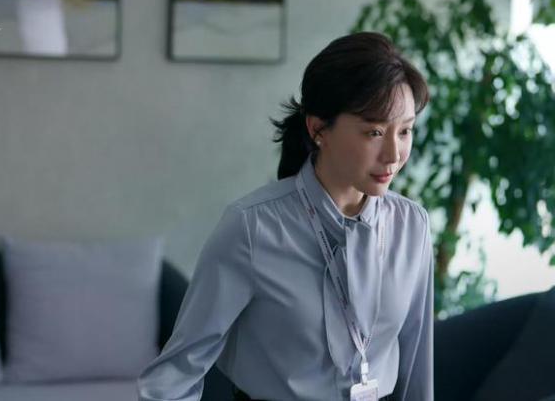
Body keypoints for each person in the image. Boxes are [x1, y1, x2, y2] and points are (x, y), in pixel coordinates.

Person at [138, 32, 434, 401]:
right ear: (318, 128)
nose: (394, 154)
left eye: (405, 131)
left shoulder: (411, 226)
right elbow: (174, 376)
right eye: (374, 132)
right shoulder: (252, 227)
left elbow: (416, 368)